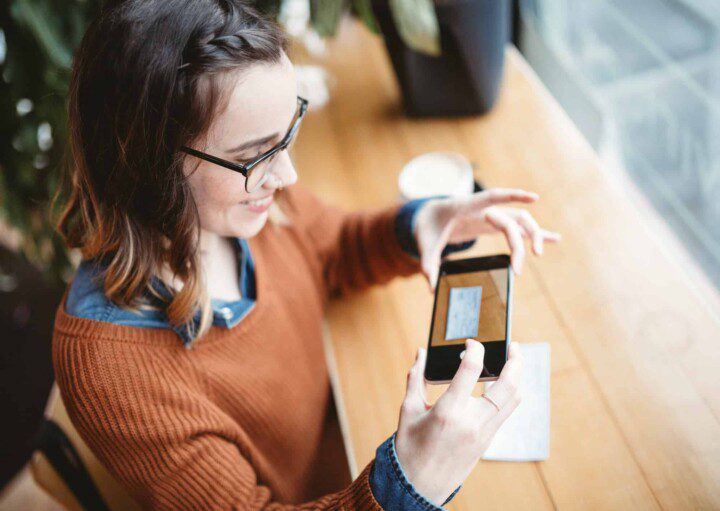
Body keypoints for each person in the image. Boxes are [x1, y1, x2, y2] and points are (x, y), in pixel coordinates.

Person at [51, 1, 561, 509]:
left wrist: (419, 225)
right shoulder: (112, 371)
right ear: (145, 163)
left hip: (340, 428)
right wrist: (410, 484)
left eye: (288, 133)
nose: (288, 176)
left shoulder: (241, 201)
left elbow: (332, 248)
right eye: (254, 155)